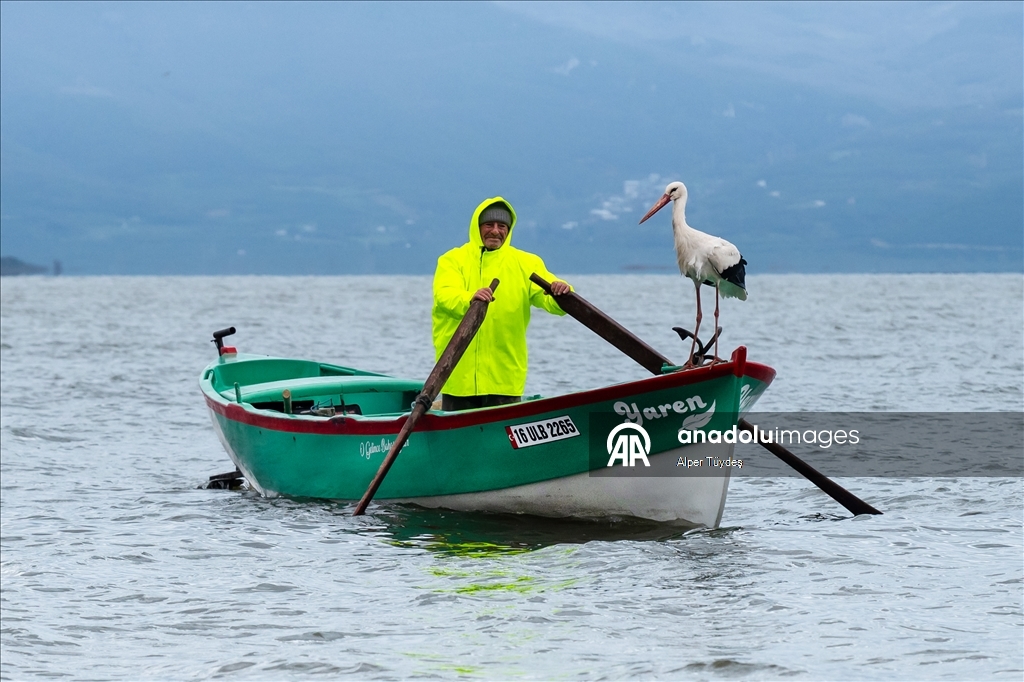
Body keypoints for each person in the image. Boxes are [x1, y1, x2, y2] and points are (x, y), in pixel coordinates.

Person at [432, 196, 571, 411]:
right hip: (458, 374)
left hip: (504, 377)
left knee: (501, 436)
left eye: (502, 226)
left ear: (509, 229)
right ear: (477, 227)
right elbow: (445, 297)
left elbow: (550, 300)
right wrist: (470, 299)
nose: (495, 231)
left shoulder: (527, 263)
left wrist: (562, 293)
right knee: (459, 436)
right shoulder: (452, 260)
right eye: (489, 225)